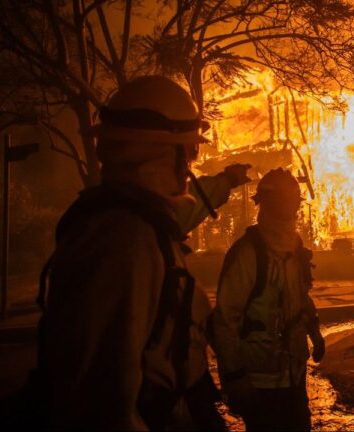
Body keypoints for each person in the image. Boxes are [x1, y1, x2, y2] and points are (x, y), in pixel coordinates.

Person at [31, 75, 249, 430]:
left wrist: (225, 181)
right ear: (166, 153)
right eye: (190, 151)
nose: (191, 164)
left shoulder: (140, 221)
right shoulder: (124, 239)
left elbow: (183, 214)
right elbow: (101, 404)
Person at [211, 168, 325, 431]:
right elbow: (224, 321)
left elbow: (300, 296)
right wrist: (236, 377)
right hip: (259, 379)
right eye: (286, 202)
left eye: (293, 202)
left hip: (293, 373)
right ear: (269, 204)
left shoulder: (293, 244)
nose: (291, 209)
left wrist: (314, 333)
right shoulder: (247, 255)